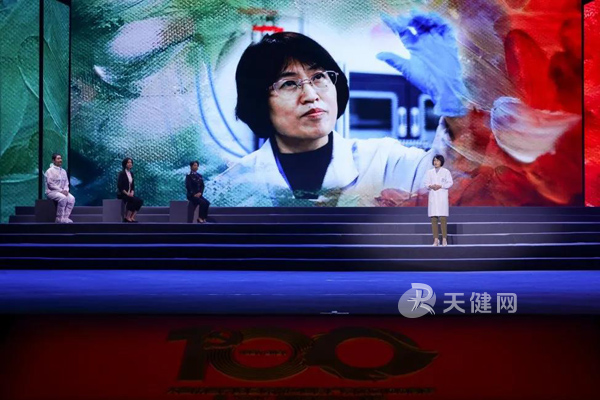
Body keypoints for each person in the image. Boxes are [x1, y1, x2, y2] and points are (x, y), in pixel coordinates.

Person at [424, 155, 453, 246]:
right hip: (433, 196)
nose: (435, 162)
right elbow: (426, 183)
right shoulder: (429, 172)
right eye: (434, 160)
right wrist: (430, 186)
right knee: (434, 218)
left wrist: (441, 186)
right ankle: (436, 240)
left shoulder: (446, 172)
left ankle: (444, 239)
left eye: (437, 160)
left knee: (443, 218)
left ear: (441, 162)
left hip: (442, 196)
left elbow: (450, 183)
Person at [45, 153, 75, 223]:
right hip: (52, 192)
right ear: (53, 160)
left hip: (63, 191)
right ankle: (59, 218)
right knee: (63, 198)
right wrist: (61, 191)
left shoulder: (63, 171)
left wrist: (66, 190)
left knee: (72, 199)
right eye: (58, 158)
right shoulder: (49, 171)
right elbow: (50, 184)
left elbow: (66, 183)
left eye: (60, 158)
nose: (60, 160)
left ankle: (65, 218)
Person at [117, 157, 143, 222]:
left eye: (131, 162)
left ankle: (132, 217)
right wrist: (127, 193)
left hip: (129, 194)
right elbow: (120, 186)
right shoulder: (122, 173)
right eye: (128, 162)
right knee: (132, 200)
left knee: (140, 201)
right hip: (123, 193)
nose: (130, 164)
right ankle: (127, 217)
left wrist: (132, 192)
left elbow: (132, 185)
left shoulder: (131, 173)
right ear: (125, 164)